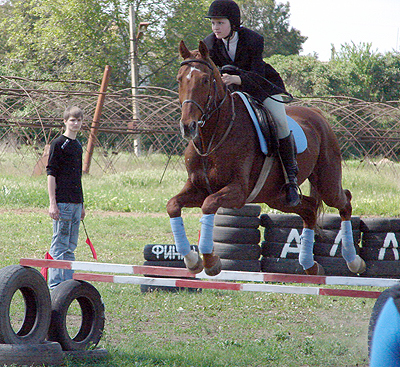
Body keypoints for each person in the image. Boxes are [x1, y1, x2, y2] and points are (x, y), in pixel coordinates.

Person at [203, 0, 300, 207]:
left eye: (220, 23)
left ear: (234, 23)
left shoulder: (253, 40)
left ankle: (291, 181)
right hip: (229, 92)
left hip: (260, 87)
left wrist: (238, 79)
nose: (215, 28)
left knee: (280, 122)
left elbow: (256, 73)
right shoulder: (209, 44)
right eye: (213, 23)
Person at [46, 106, 85, 289]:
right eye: (72, 120)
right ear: (65, 122)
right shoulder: (58, 144)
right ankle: (55, 286)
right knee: (59, 244)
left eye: (78, 120)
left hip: (76, 203)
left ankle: (67, 285)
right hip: (62, 203)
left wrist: (82, 204)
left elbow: (78, 176)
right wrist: (53, 203)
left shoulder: (78, 146)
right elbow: (51, 174)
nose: (75, 123)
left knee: (71, 245)